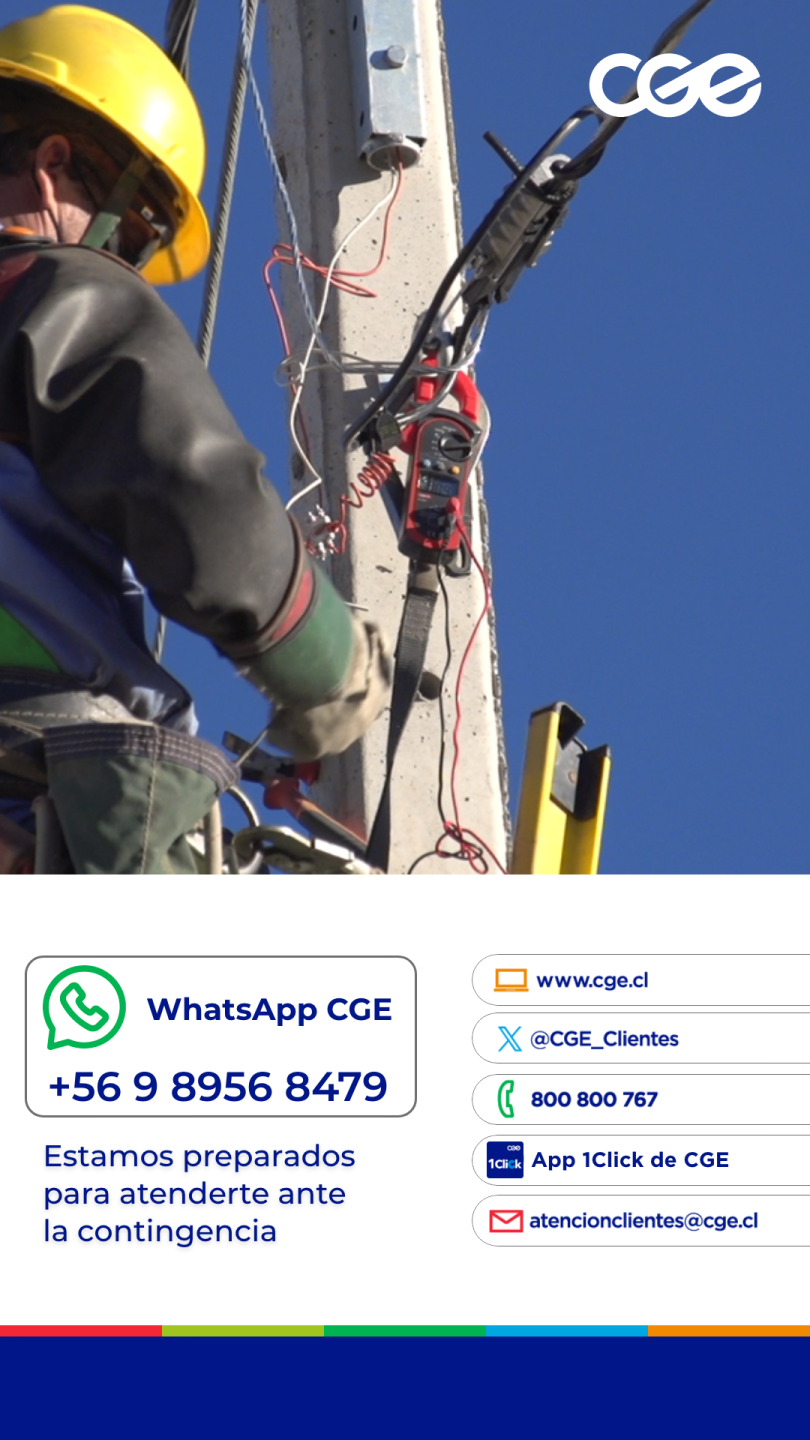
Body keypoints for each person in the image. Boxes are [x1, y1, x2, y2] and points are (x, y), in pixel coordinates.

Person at [0, 6, 391, 874]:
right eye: (136, 228)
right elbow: (195, 495)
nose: (129, 264)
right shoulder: (51, 290)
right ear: (54, 165)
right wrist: (327, 664)